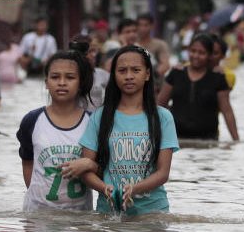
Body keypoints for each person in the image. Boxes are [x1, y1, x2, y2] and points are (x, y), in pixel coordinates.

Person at [76, 45, 180, 216]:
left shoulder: (163, 117)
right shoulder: (100, 117)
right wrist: (105, 189)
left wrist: (135, 189)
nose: (129, 76)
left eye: (136, 70)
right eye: (122, 71)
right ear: (114, 75)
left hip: (152, 213)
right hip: (109, 212)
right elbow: (86, 169)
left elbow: (163, 173)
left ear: (147, 74)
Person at [17, 49, 95, 211]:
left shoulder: (93, 123)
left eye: (70, 77)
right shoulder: (32, 120)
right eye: (55, 77)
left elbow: (104, 169)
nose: (62, 82)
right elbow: (27, 162)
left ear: (81, 83)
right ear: (46, 83)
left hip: (79, 220)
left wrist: (89, 164)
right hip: (38, 217)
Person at [157, 34, 239, 141]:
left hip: (208, 140)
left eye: (202, 53)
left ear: (209, 55)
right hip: (176, 139)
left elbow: (227, 111)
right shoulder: (176, 73)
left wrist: (236, 140)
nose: (196, 56)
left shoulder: (218, 78)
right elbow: (160, 105)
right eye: (193, 51)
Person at [71, 34, 108, 107]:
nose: (93, 55)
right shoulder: (69, 75)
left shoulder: (102, 74)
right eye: (89, 51)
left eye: (94, 51)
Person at [137, 14, 171, 79]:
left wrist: (152, 75)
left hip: (155, 84)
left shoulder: (160, 44)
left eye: (146, 25)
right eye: (140, 25)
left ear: (152, 26)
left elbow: (165, 65)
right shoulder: (133, 45)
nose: (142, 28)